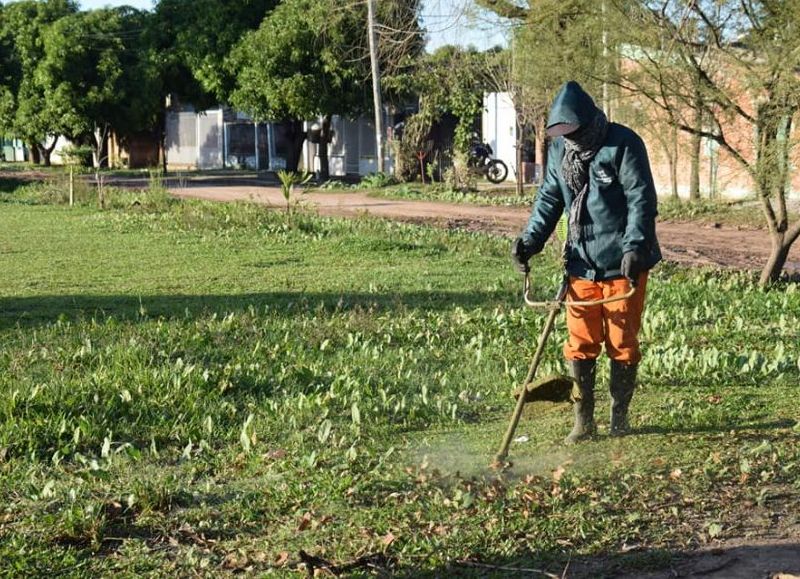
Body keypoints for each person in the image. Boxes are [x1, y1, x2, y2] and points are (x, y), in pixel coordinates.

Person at [512, 81, 661, 444]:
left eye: (572, 132)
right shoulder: (562, 151)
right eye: (562, 134)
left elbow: (641, 198)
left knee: (621, 342)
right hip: (581, 264)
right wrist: (529, 242)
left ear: (587, 122)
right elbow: (549, 200)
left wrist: (635, 247)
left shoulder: (623, 144)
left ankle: (619, 419)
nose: (569, 139)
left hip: (623, 264)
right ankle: (584, 421)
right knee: (580, 343)